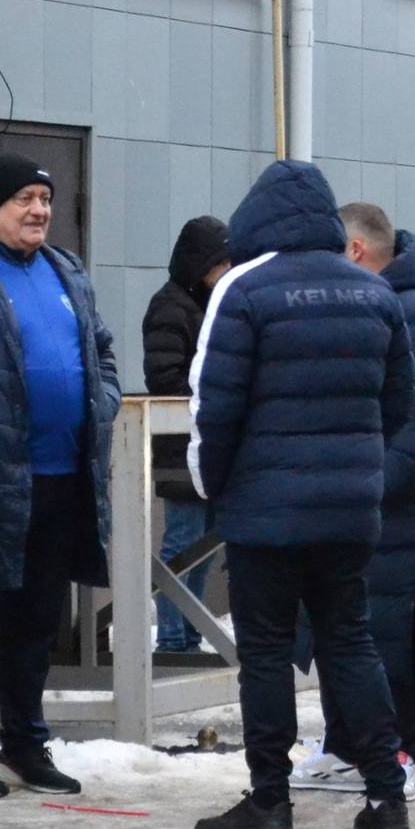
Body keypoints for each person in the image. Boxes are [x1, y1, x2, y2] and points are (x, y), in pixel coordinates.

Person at [187, 160, 415, 829]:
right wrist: (355, 463)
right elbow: (399, 401)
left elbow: (214, 407)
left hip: (265, 510)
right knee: (349, 640)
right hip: (349, 510)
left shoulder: (243, 289)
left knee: (265, 651)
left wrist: (215, 486)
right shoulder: (374, 292)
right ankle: (387, 795)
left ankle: (270, 801)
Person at [0, 152, 121, 799]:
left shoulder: (68, 271)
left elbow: (102, 351)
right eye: (24, 199)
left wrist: (103, 401)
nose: (39, 210)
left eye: (45, 198)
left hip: (62, 477)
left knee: (36, 621)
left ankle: (25, 744)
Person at [293, 204, 415, 797]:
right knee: (345, 627)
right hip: (357, 507)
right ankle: (346, 748)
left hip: (401, 517)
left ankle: (398, 753)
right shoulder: (363, 306)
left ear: (356, 251)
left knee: (393, 633)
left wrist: (368, 482)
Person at [141, 215, 232, 657]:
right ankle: (174, 639)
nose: (227, 270)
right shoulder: (171, 307)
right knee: (183, 544)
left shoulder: (204, 304)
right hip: (180, 446)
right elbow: (164, 377)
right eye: (221, 262)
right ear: (202, 263)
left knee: (201, 549)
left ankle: (188, 636)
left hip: (204, 443)